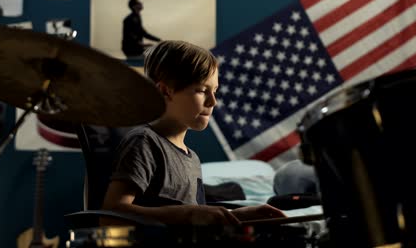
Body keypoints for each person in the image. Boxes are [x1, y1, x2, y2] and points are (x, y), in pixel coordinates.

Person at [102, 40, 285, 225]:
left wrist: (240, 215)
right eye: (202, 90)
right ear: (165, 91)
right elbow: (110, 215)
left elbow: (198, 215)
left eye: (214, 91)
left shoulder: (193, 158)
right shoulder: (144, 143)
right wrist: (188, 214)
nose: (213, 102)